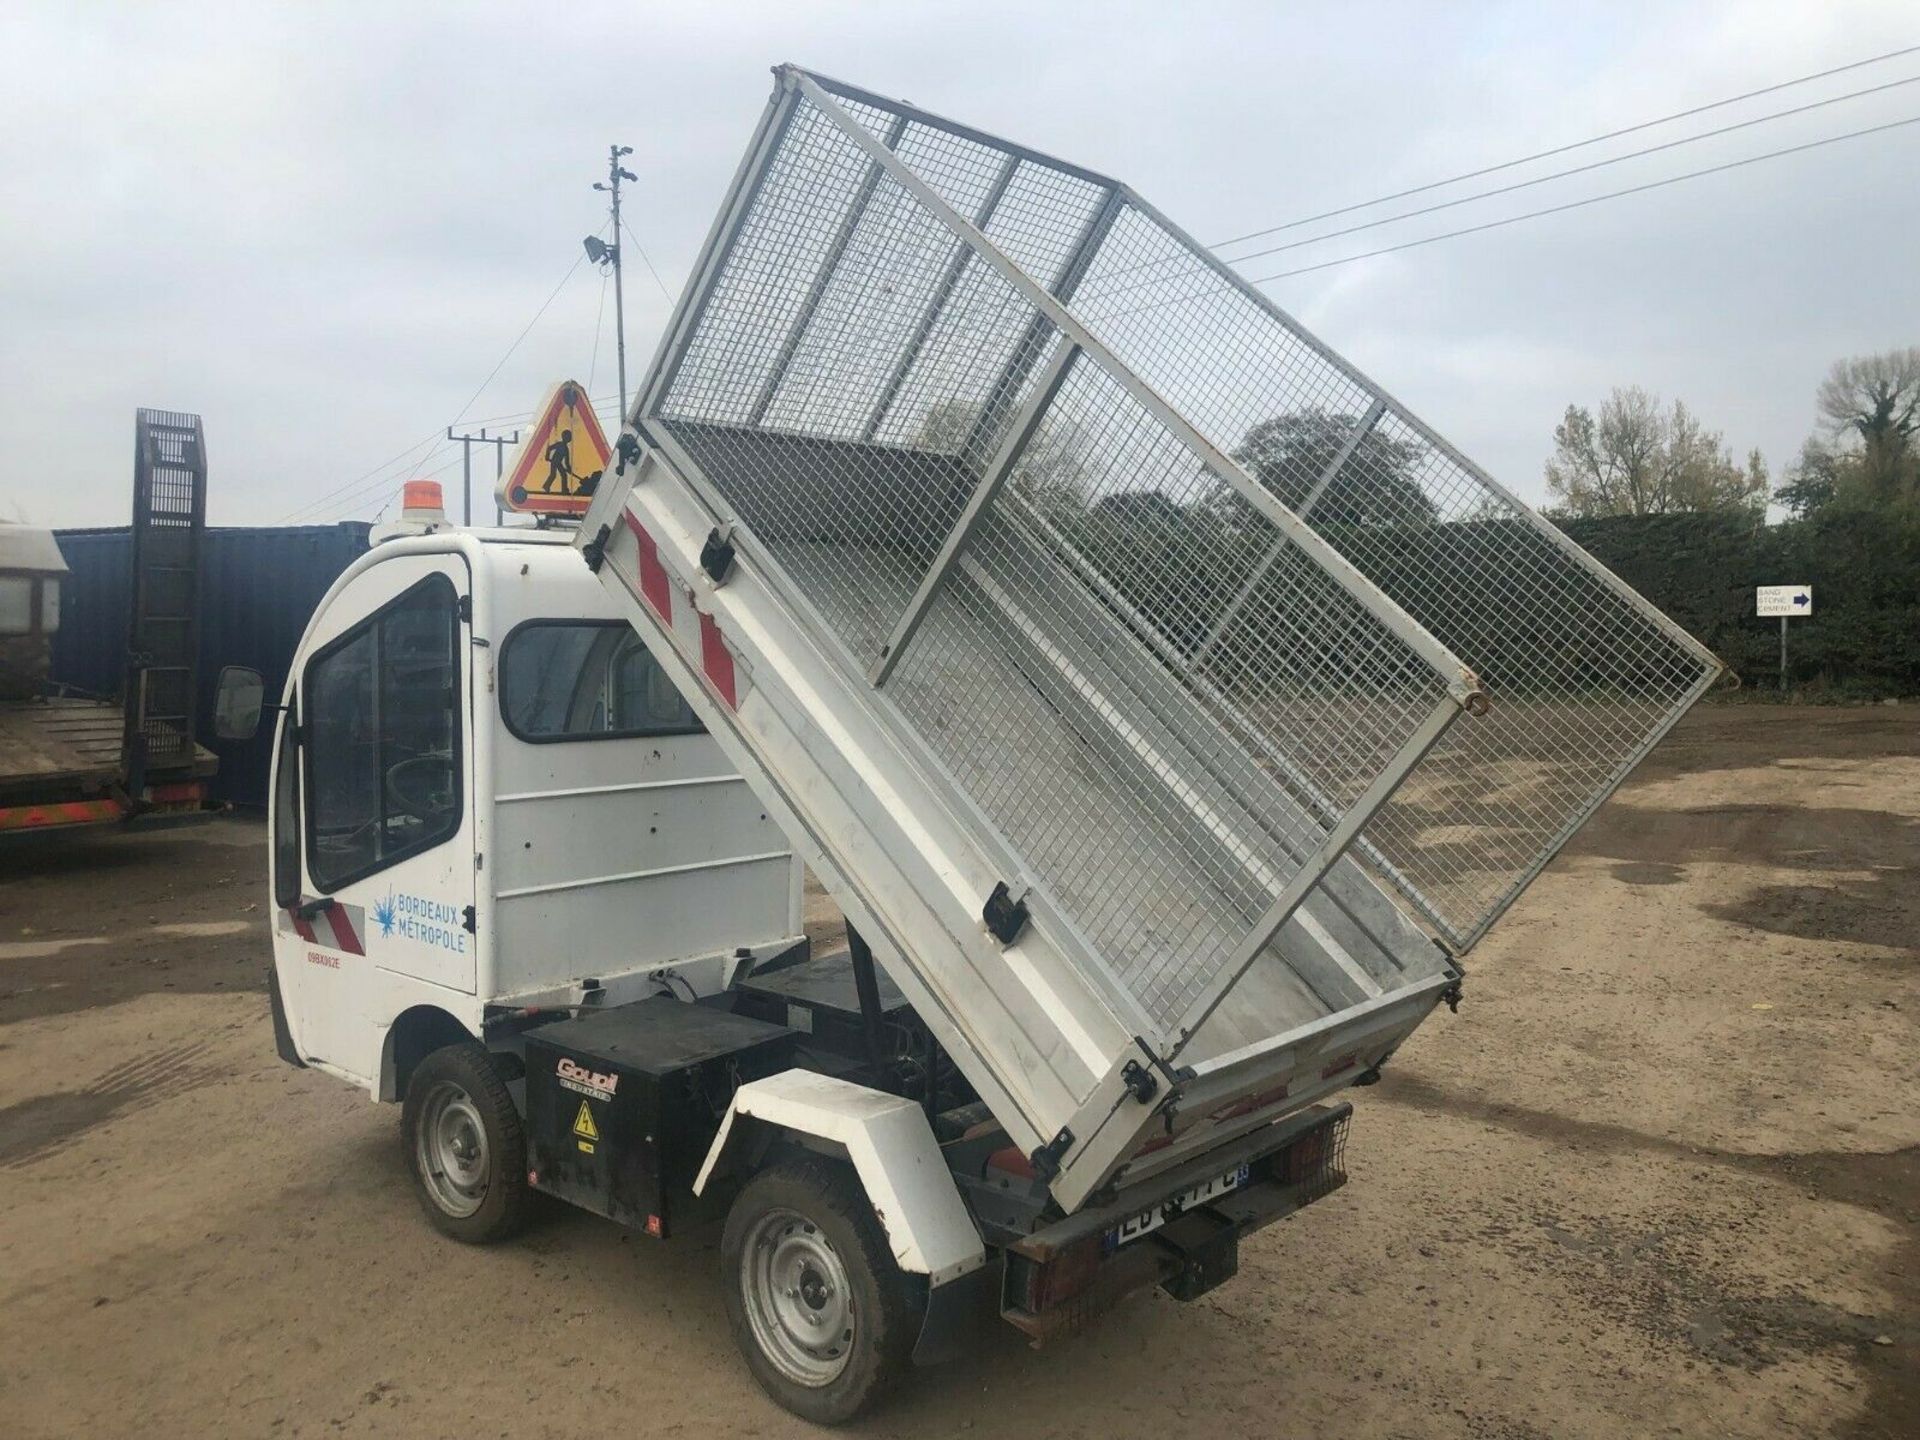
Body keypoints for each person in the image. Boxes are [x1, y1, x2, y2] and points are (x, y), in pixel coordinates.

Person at [541, 429, 576, 495]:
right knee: (553, 475)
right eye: (568, 437)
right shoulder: (559, 444)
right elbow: (549, 448)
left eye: (569, 437)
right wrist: (547, 457)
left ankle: (564, 489)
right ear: (564, 437)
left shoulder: (566, 449)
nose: (569, 438)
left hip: (558, 463)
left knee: (564, 475)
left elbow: (566, 461)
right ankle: (546, 486)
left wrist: (569, 469)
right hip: (554, 462)